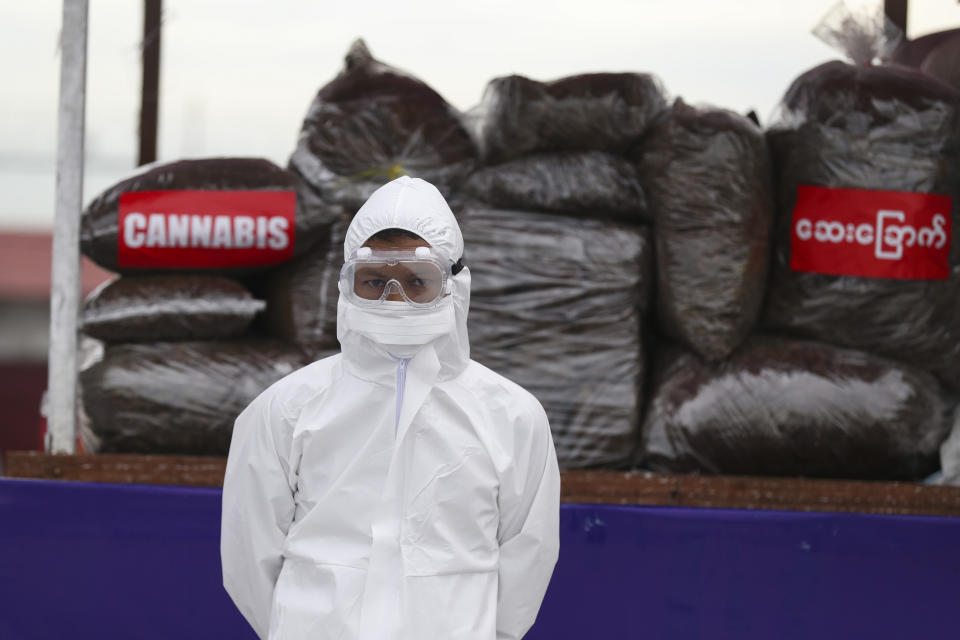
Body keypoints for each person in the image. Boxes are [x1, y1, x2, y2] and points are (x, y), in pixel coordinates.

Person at [221, 176, 560, 640]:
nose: (394, 299)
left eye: (419, 281)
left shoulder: (512, 416)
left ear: (454, 286)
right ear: (347, 285)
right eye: (375, 281)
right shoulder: (286, 409)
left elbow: (528, 555)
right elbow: (249, 552)